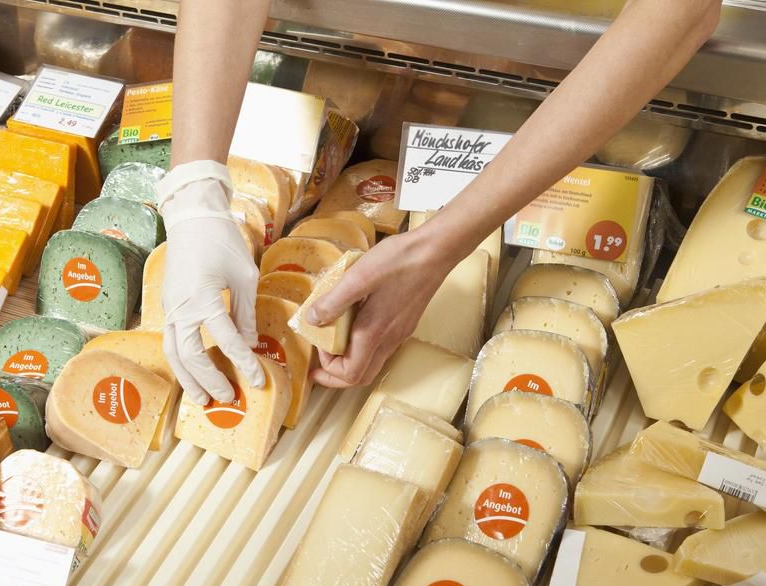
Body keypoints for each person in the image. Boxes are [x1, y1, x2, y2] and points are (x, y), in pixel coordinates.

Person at [157, 0, 722, 405]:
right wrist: (195, 194)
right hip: (370, 51)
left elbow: (681, 10)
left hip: (584, 95)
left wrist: (439, 243)